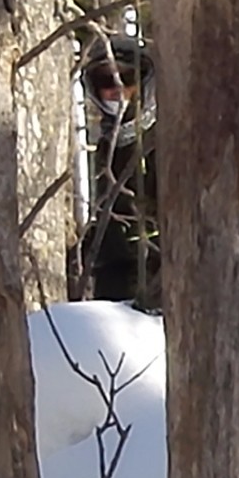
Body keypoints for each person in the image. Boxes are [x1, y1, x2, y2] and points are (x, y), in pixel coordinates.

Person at [76, 34, 161, 310]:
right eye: (106, 81)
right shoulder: (106, 142)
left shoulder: (164, 139)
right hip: (113, 283)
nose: (117, 89)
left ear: (145, 83)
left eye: (127, 79)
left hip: (160, 278)